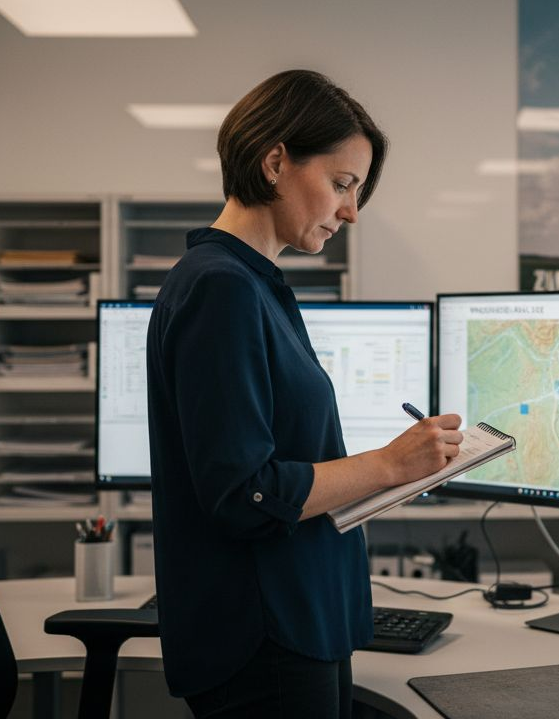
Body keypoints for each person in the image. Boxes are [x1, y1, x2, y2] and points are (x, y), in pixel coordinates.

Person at [146, 69, 464, 718]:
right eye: (343, 184)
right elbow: (246, 495)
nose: (351, 210)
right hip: (264, 639)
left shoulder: (253, 283)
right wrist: (388, 465)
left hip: (297, 620)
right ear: (274, 162)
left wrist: (389, 477)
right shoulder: (222, 289)